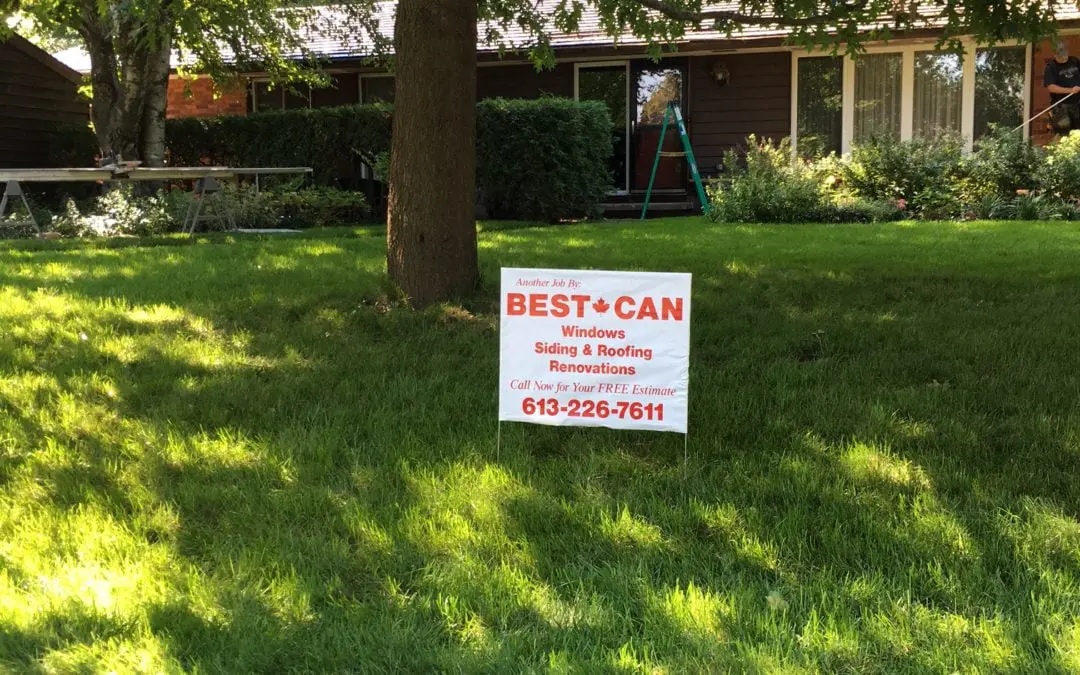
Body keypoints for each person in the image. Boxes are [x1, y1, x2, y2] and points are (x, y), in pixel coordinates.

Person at [1044, 40, 1080, 133]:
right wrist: (1070, 90)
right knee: (1063, 134)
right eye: (1061, 57)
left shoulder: (1075, 61)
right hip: (1061, 107)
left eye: (1065, 56)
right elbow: (1051, 87)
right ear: (1055, 55)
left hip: (1077, 105)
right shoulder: (1050, 67)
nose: (1064, 58)